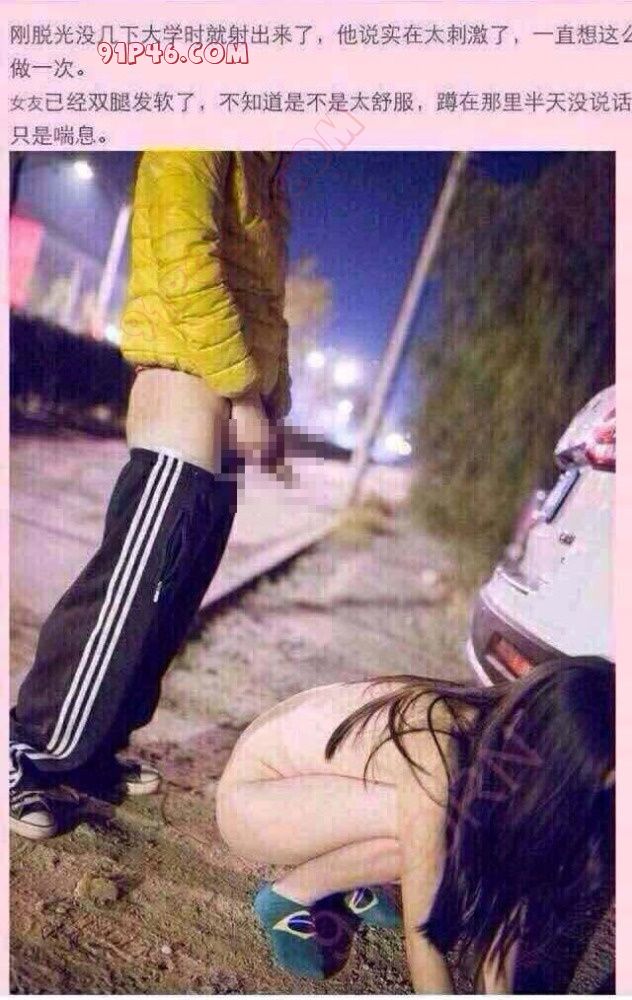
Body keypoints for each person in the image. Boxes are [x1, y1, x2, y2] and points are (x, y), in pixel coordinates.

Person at [10, 150, 291, 840]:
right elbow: (186, 262)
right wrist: (245, 393)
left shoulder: (265, 167)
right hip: (188, 388)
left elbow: (264, 299)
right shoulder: (200, 132)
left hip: (225, 401)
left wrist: (272, 399)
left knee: (172, 597)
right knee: (129, 588)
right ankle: (30, 749)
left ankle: (94, 750)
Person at [216, 657, 614, 992]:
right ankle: (288, 897)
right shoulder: (439, 753)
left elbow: (507, 898)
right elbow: (426, 936)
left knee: (437, 832)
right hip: (253, 802)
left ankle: (353, 878)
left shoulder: (501, 734)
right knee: (430, 834)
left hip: (312, 790)